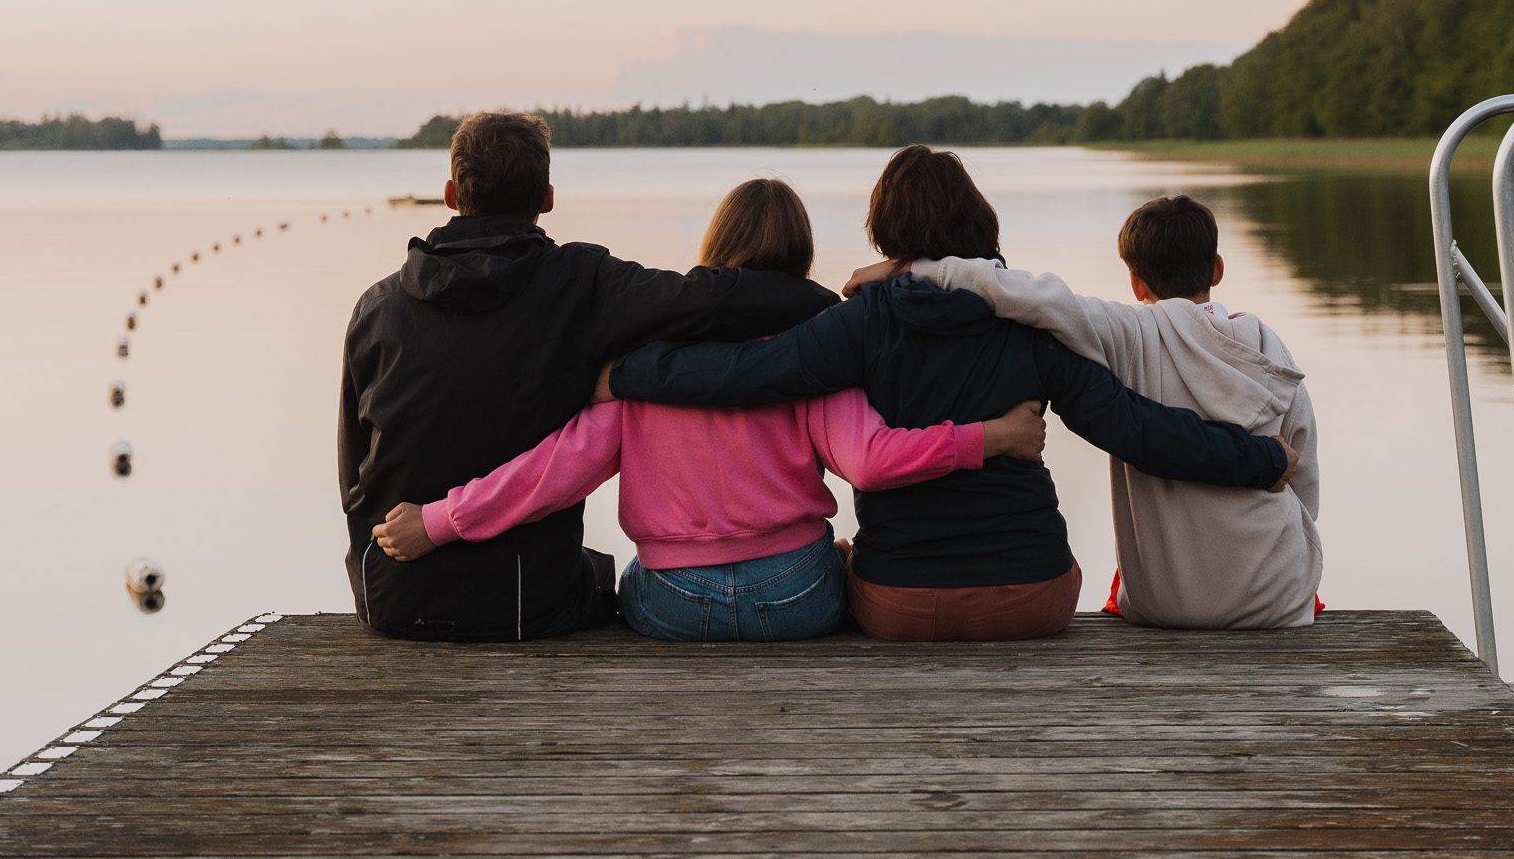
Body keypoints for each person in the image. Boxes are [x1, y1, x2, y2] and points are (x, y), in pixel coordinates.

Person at [605, 146, 1292, 642]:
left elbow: (745, 375)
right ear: (977, 221)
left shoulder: (859, 324)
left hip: (898, 607)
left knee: (839, 563)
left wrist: (627, 374)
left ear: (886, 232)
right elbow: (1134, 428)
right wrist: (1258, 461)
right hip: (1034, 599)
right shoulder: (1028, 327)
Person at [368, 178, 1048, 642]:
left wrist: (440, 520)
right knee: (837, 560)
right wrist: (988, 436)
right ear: (802, 252)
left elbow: (557, 471)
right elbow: (870, 460)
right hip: (795, 599)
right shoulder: (818, 349)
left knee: (616, 578)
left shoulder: (642, 361)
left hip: (672, 601)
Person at [339, 113, 833, 641]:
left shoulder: (376, 309)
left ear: (450, 194)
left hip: (392, 595)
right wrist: (839, 309)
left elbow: (353, 476)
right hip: (528, 603)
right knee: (600, 574)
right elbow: (711, 300)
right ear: (547, 197)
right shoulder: (584, 285)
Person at [866, 194, 1320, 629]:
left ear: (1136, 281)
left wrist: (917, 269)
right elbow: (1304, 482)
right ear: (1217, 270)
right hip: (1275, 597)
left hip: (1163, 602)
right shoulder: (1267, 347)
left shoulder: (1128, 334)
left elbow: (1029, 295)